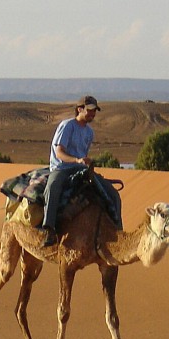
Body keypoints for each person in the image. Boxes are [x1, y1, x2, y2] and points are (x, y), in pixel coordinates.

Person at [39, 95, 122, 247]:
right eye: (90, 110)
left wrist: (84, 162)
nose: (93, 114)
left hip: (81, 169)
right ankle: (49, 229)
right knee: (53, 187)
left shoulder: (89, 132)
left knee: (112, 193)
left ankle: (118, 232)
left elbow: (83, 154)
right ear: (79, 109)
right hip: (62, 168)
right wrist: (77, 160)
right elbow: (59, 153)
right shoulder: (67, 126)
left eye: (94, 111)